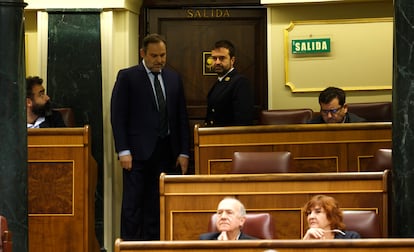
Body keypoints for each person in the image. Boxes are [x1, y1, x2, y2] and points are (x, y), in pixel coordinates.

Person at [110, 33, 190, 241]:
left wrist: (184, 152)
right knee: (133, 205)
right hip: (136, 153)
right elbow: (118, 116)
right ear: (143, 54)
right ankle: (130, 246)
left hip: (167, 151)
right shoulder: (128, 77)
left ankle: (155, 244)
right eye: (154, 56)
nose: (160, 60)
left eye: (163, 55)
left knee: (158, 203)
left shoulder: (173, 78)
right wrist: (123, 150)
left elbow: (181, 116)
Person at [204, 40, 255, 127]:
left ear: (232, 60)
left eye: (222, 58)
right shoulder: (220, 81)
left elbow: (243, 121)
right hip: (215, 136)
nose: (217, 62)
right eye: (214, 58)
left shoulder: (240, 82)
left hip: (229, 137)